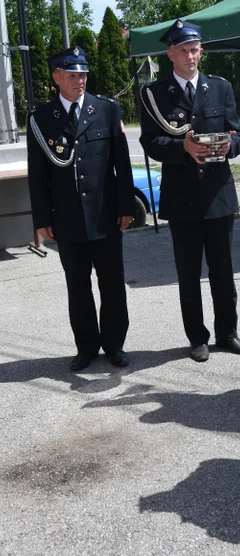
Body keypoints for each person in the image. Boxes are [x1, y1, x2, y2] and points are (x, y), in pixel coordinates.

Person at [139, 20, 240, 362]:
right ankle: (197, 337)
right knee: (189, 274)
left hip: (218, 193)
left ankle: (227, 333)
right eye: (184, 50)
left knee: (224, 271)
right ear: (170, 54)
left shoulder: (220, 87)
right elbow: (151, 142)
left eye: (195, 49)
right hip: (182, 197)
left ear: (201, 51)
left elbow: (238, 135)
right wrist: (182, 149)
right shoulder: (154, 94)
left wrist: (227, 146)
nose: (191, 56)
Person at [27, 46, 136, 372]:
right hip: (68, 219)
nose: (80, 80)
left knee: (113, 284)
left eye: (83, 73)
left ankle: (114, 344)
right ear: (57, 77)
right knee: (78, 285)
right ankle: (86, 347)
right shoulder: (41, 119)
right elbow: (38, 175)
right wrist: (42, 219)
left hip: (105, 216)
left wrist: (126, 206)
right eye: (73, 74)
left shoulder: (106, 110)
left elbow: (122, 164)